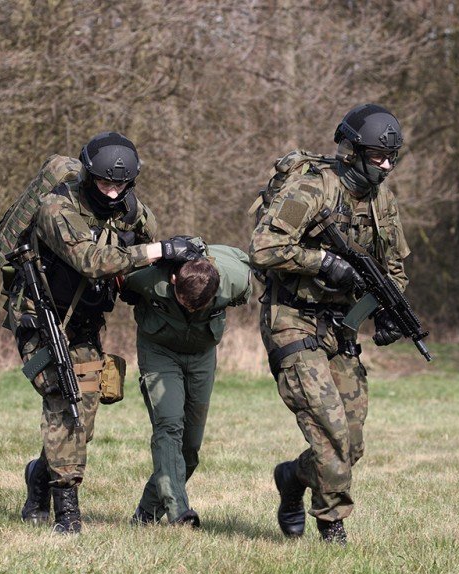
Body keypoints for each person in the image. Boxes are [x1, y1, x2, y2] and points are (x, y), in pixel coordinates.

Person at [249, 104, 411, 544]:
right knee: (330, 431)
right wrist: (321, 261)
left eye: (391, 157)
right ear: (353, 150)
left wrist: (386, 310)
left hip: (340, 327)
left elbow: (393, 269)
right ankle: (331, 524)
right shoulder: (314, 188)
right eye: (378, 157)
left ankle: (293, 477)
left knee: (351, 443)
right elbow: (262, 248)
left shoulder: (383, 202)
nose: (386, 166)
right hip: (293, 320)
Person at [9, 131, 166, 534]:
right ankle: (66, 511)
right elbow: (91, 261)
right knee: (64, 402)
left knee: (85, 420)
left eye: (121, 185)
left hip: (85, 322)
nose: (112, 193)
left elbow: (148, 249)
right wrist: (158, 251)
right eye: (104, 183)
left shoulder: (131, 210)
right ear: (89, 176)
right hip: (42, 319)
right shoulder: (57, 208)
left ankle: (39, 476)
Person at [123, 237, 252, 527]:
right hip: (159, 352)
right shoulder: (150, 279)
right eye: (186, 304)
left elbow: (253, 267)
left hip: (202, 356)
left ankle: (145, 515)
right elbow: (116, 271)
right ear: (172, 281)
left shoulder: (234, 278)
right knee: (169, 426)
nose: (193, 310)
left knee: (189, 450)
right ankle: (179, 512)